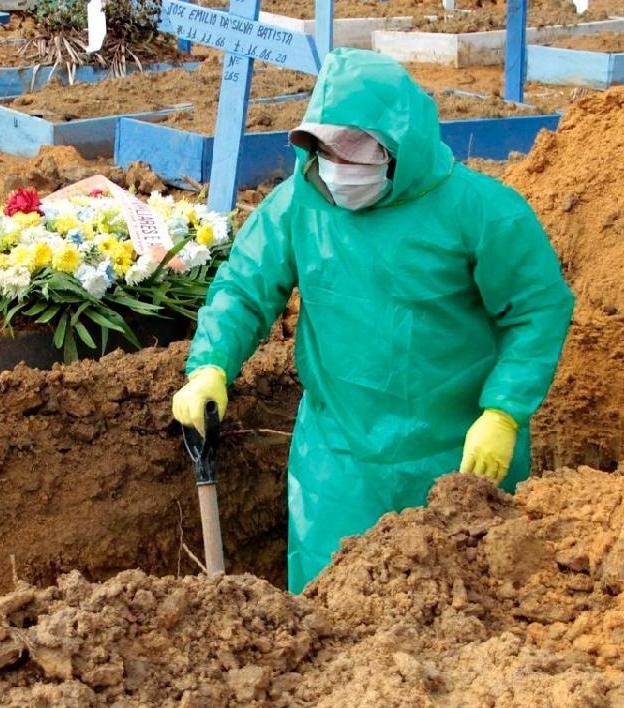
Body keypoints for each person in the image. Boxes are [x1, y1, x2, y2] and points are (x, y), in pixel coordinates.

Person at [172, 48, 575, 592]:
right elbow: (244, 288)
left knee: (464, 610)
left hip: (457, 455)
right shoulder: (298, 206)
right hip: (339, 461)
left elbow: (535, 309)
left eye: (357, 147)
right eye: (325, 147)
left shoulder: (482, 212)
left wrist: (503, 412)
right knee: (330, 606)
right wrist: (211, 366)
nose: (339, 166)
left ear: (399, 142)